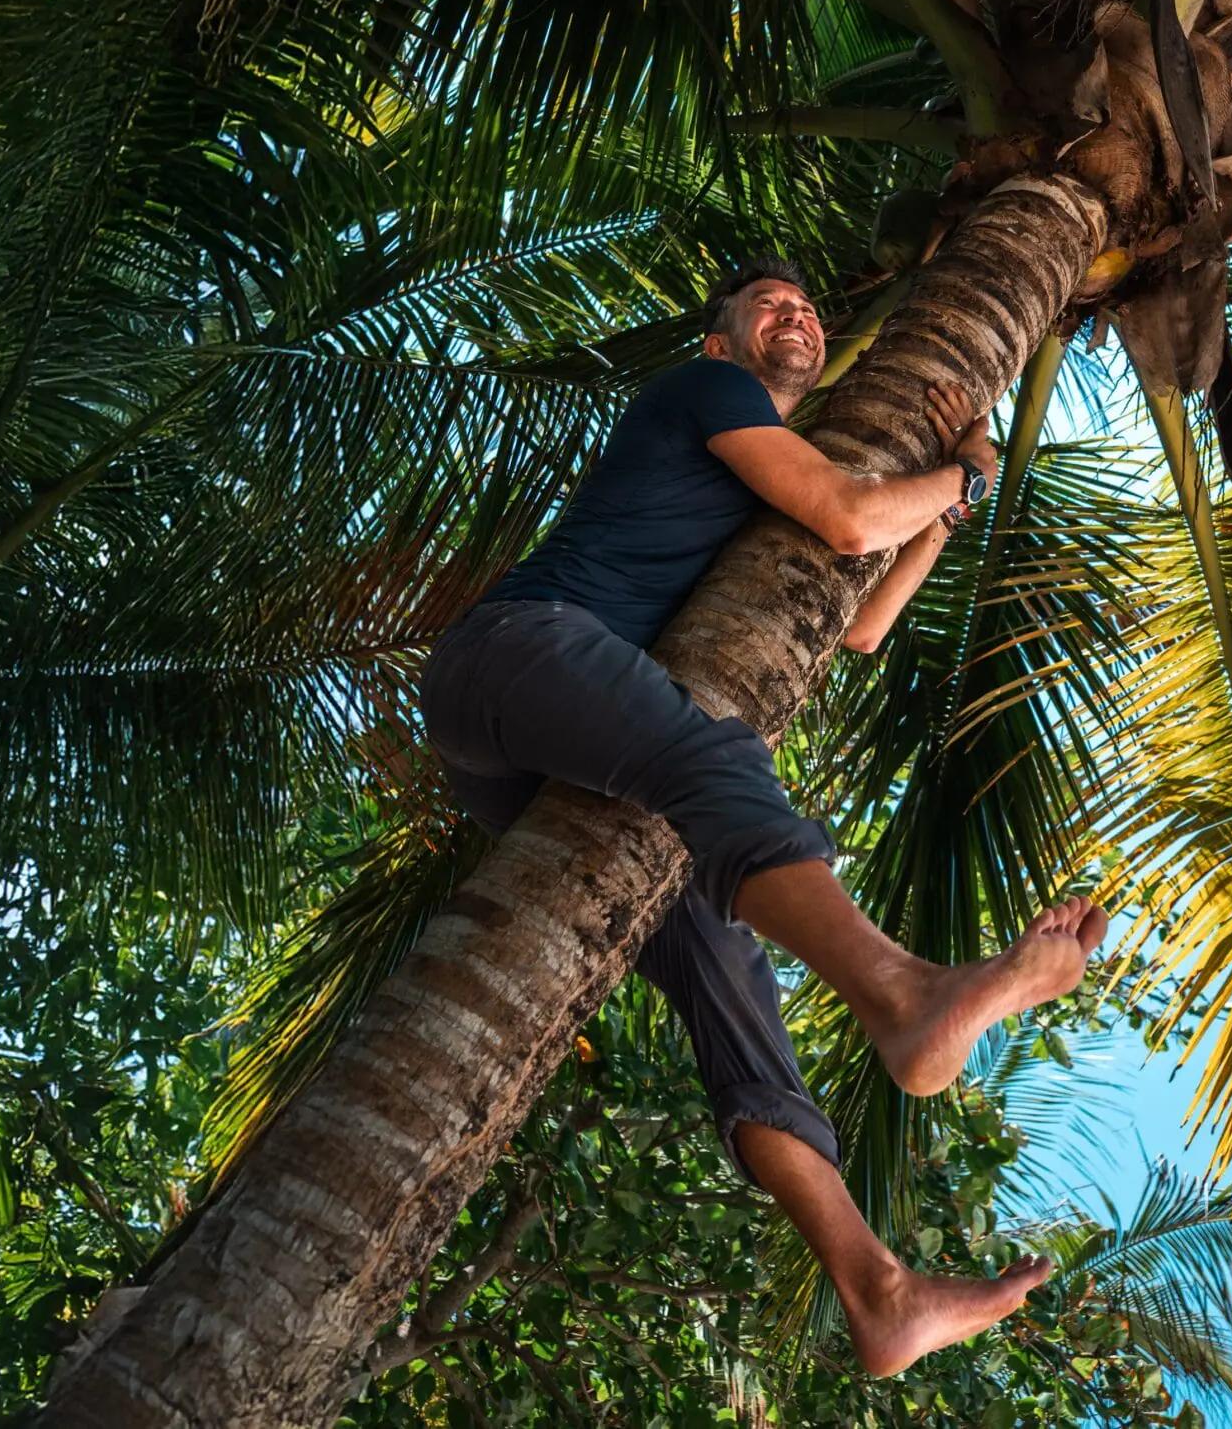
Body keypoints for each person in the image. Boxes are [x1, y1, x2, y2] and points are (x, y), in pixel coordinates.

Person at [417, 259, 1110, 1376]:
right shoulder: (704, 397)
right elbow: (843, 518)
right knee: (709, 756)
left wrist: (945, 504)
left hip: (545, 753)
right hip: (515, 655)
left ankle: (876, 1289)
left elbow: (861, 624)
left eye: (810, 307)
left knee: (724, 974)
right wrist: (964, 474)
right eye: (769, 306)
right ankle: (903, 992)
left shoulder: (762, 461)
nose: (797, 315)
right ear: (722, 345)